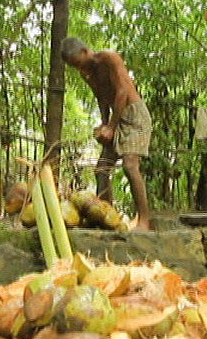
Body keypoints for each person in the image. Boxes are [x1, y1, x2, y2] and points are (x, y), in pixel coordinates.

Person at [61, 37, 152, 231]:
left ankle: (144, 220)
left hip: (133, 115)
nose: (78, 68)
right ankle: (106, 216)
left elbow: (122, 93)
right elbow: (102, 99)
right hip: (115, 118)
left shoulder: (110, 59)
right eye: (74, 66)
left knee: (130, 165)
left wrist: (111, 126)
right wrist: (104, 125)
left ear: (85, 52)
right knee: (102, 169)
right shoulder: (87, 73)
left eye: (78, 63)